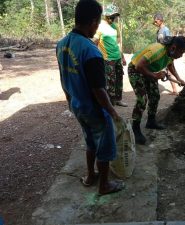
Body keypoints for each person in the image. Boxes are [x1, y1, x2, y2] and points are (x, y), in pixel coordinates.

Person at [56, 0, 124, 195]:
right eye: (96, 24)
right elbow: (99, 90)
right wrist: (112, 112)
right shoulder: (90, 50)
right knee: (105, 144)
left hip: (77, 105)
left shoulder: (62, 44)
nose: (97, 28)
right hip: (94, 108)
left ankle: (90, 175)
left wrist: (70, 101)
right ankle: (104, 185)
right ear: (93, 21)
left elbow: (63, 77)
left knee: (90, 140)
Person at [128, 36, 185, 145]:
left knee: (155, 96)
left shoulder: (170, 52)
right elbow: (138, 66)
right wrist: (155, 75)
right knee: (142, 99)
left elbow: (170, 65)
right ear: (174, 48)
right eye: (181, 52)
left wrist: (178, 79)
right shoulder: (157, 51)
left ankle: (151, 121)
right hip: (135, 69)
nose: (181, 55)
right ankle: (135, 129)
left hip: (148, 69)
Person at [93, 3, 127, 107]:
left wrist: (122, 56)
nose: (113, 18)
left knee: (119, 79)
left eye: (115, 16)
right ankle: (110, 102)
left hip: (117, 57)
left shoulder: (114, 27)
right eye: (112, 16)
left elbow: (117, 44)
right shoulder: (100, 27)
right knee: (109, 81)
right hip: (107, 58)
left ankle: (118, 99)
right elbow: (95, 43)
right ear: (106, 15)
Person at [153, 13, 178, 95]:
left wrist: (170, 55)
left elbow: (170, 42)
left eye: (156, 21)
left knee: (170, 72)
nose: (155, 23)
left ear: (160, 20)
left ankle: (175, 90)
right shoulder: (158, 30)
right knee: (158, 70)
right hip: (159, 54)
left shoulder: (166, 30)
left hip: (166, 55)